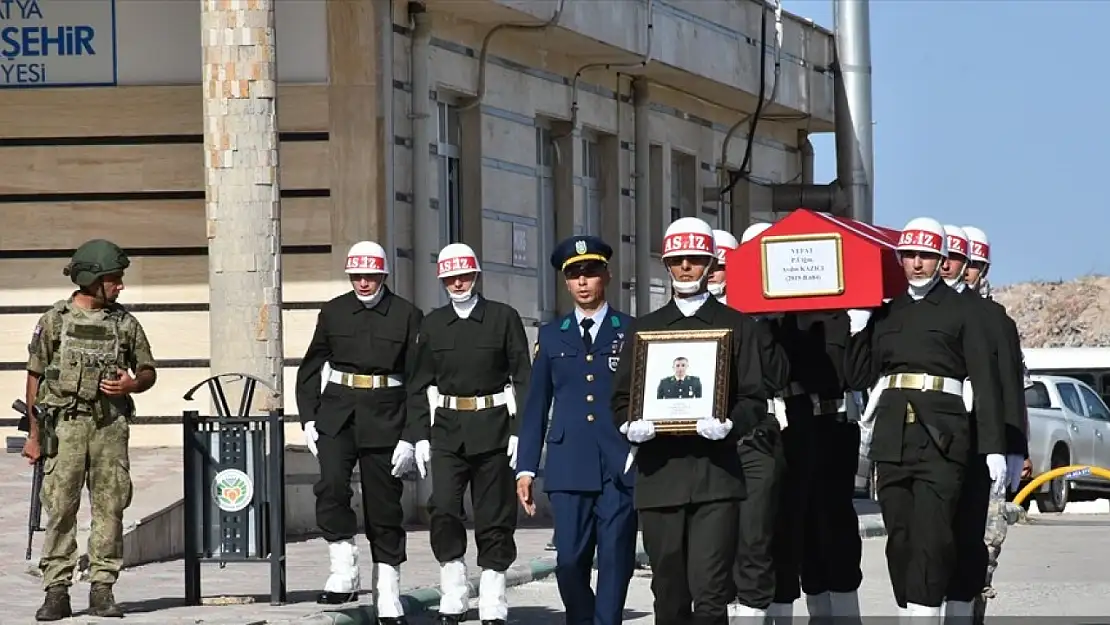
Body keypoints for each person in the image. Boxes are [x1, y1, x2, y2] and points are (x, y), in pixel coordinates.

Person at [843, 217, 1008, 619]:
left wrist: (994, 447)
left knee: (933, 537)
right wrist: (859, 326)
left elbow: (986, 382)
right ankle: (912, 607)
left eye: (927, 256)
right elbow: (857, 375)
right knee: (899, 537)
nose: (917, 263)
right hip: (892, 437)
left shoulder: (963, 311)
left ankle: (927, 612)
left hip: (943, 436)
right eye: (910, 255)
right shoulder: (887, 312)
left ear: (940, 259)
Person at [611, 217, 769, 625]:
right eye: (678, 260)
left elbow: (755, 398)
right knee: (668, 592)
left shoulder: (737, 325)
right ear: (666, 264)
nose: (686, 268)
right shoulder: (644, 330)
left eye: (696, 260)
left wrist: (730, 424)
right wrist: (630, 425)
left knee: (710, 590)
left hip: (715, 476)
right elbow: (622, 399)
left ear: (709, 262)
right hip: (660, 475)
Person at [23, 239, 158, 621]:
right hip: (63, 427)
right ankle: (56, 591)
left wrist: (131, 385)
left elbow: (147, 370)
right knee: (60, 508)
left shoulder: (124, 323)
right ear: (92, 280)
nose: (120, 286)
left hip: (108, 428)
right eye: (114, 279)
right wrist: (34, 435)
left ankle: (102, 589)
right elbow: (34, 377)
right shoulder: (54, 320)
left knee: (110, 508)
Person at [294, 241, 424, 622]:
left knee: (384, 504)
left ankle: (387, 589)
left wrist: (412, 435)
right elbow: (310, 368)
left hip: (387, 417)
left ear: (384, 275)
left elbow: (419, 381)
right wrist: (308, 419)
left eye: (370, 275)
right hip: (337, 415)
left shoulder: (407, 315)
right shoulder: (334, 312)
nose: (364, 282)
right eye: (357, 276)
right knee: (331, 487)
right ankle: (343, 570)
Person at [406, 243, 532, 625]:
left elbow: (524, 377)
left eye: (464, 276)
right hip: (446, 430)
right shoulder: (432, 324)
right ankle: (454, 592)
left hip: (493, 427)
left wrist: (519, 431)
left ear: (476, 276)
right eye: (450, 278)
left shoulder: (503, 317)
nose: (458, 283)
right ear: (442, 280)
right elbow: (417, 384)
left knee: (494, 515)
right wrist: (420, 435)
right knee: (443, 508)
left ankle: (493, 598)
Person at [516, 235, 637, 625]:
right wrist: (526, 467)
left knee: (616, 561)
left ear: (606, 275)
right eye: (574, 275)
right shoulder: (552, 335)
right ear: (566, 282)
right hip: (569, 466)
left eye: (591, 272)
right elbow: (536, 406)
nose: (583, 281)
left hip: (619, 465)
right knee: (568, 561)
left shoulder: (631, 330)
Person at [954, 225, 1031, 624]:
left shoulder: (997, 320)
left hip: (989, 447)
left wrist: (1015, 446)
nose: (965, 272)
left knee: (982, 547)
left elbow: (1009, 386)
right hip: (951, 443)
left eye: (973, 265)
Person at [767, 308, 863, 623]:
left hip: (833, 425)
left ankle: (845, 616)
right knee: (788, 528)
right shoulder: (775, 318)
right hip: (790, 427)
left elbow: (852, 374)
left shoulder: (843, 317)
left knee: (836, 527)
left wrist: (861, 328)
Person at [724, 223, 792, 621]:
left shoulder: (769, 320)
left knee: (754, 540)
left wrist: (762, 323)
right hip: (708, 443)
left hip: (756, 438)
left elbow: (777, 376)